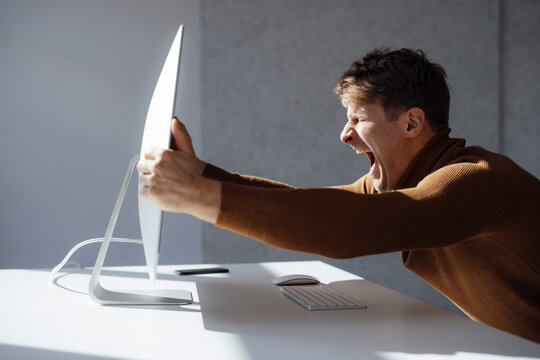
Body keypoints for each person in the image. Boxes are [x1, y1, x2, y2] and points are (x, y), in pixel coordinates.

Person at [137, 48, 540, 342]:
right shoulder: (403, 182)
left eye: (359, 119)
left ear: (412, 122)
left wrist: (196, 194)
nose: (345, 135)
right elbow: (307, 204)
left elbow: (352, 227)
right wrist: (200, 173)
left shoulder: (477, 180)